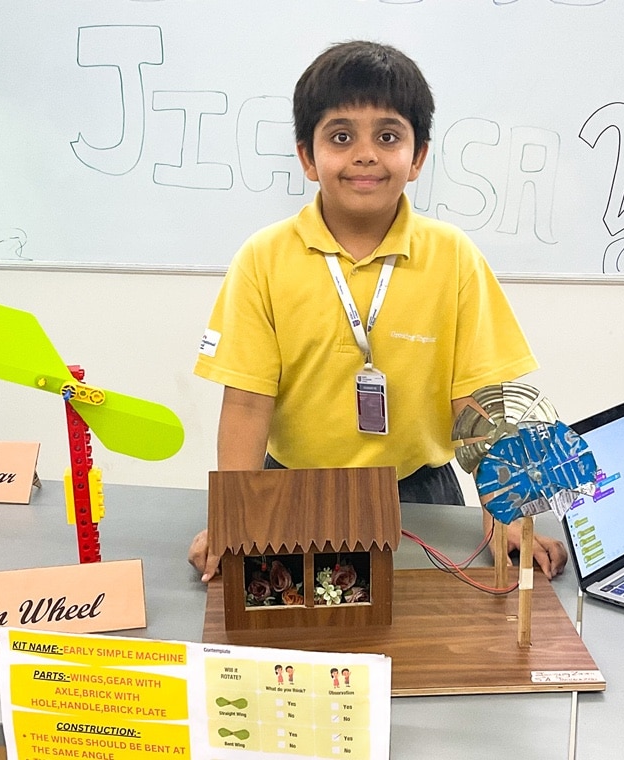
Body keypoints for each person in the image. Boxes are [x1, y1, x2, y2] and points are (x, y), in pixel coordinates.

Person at [189, 40, 566, 582]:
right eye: (341, 137)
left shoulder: (453, 257)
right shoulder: (263, 259)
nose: (364, 154)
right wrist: (234, 517)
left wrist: (500, 518)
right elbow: (247, 403)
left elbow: (478, 404)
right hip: (291, 487)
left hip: (419, 490)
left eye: (387, 137)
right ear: (306, 156)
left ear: (416, 158)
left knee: (432, 634)